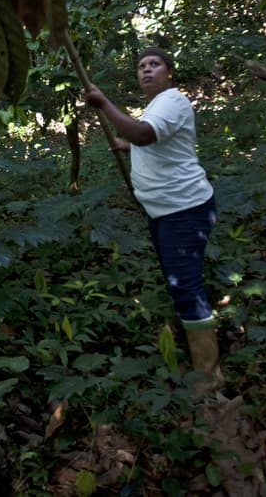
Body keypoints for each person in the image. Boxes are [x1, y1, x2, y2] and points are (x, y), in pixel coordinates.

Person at [85, 47, 224, 394]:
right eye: (142, 65)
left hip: (184, 210)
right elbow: (157, 142)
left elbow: (146, 134)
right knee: (178, 281)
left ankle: (208, 379)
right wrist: (127, 146)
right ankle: (188, 342)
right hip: (163, 211)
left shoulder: (173, 100)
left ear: (169, 72)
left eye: (155, 64)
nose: (146, 70)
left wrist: (105, 106)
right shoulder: (157, 105)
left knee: (186, 287)